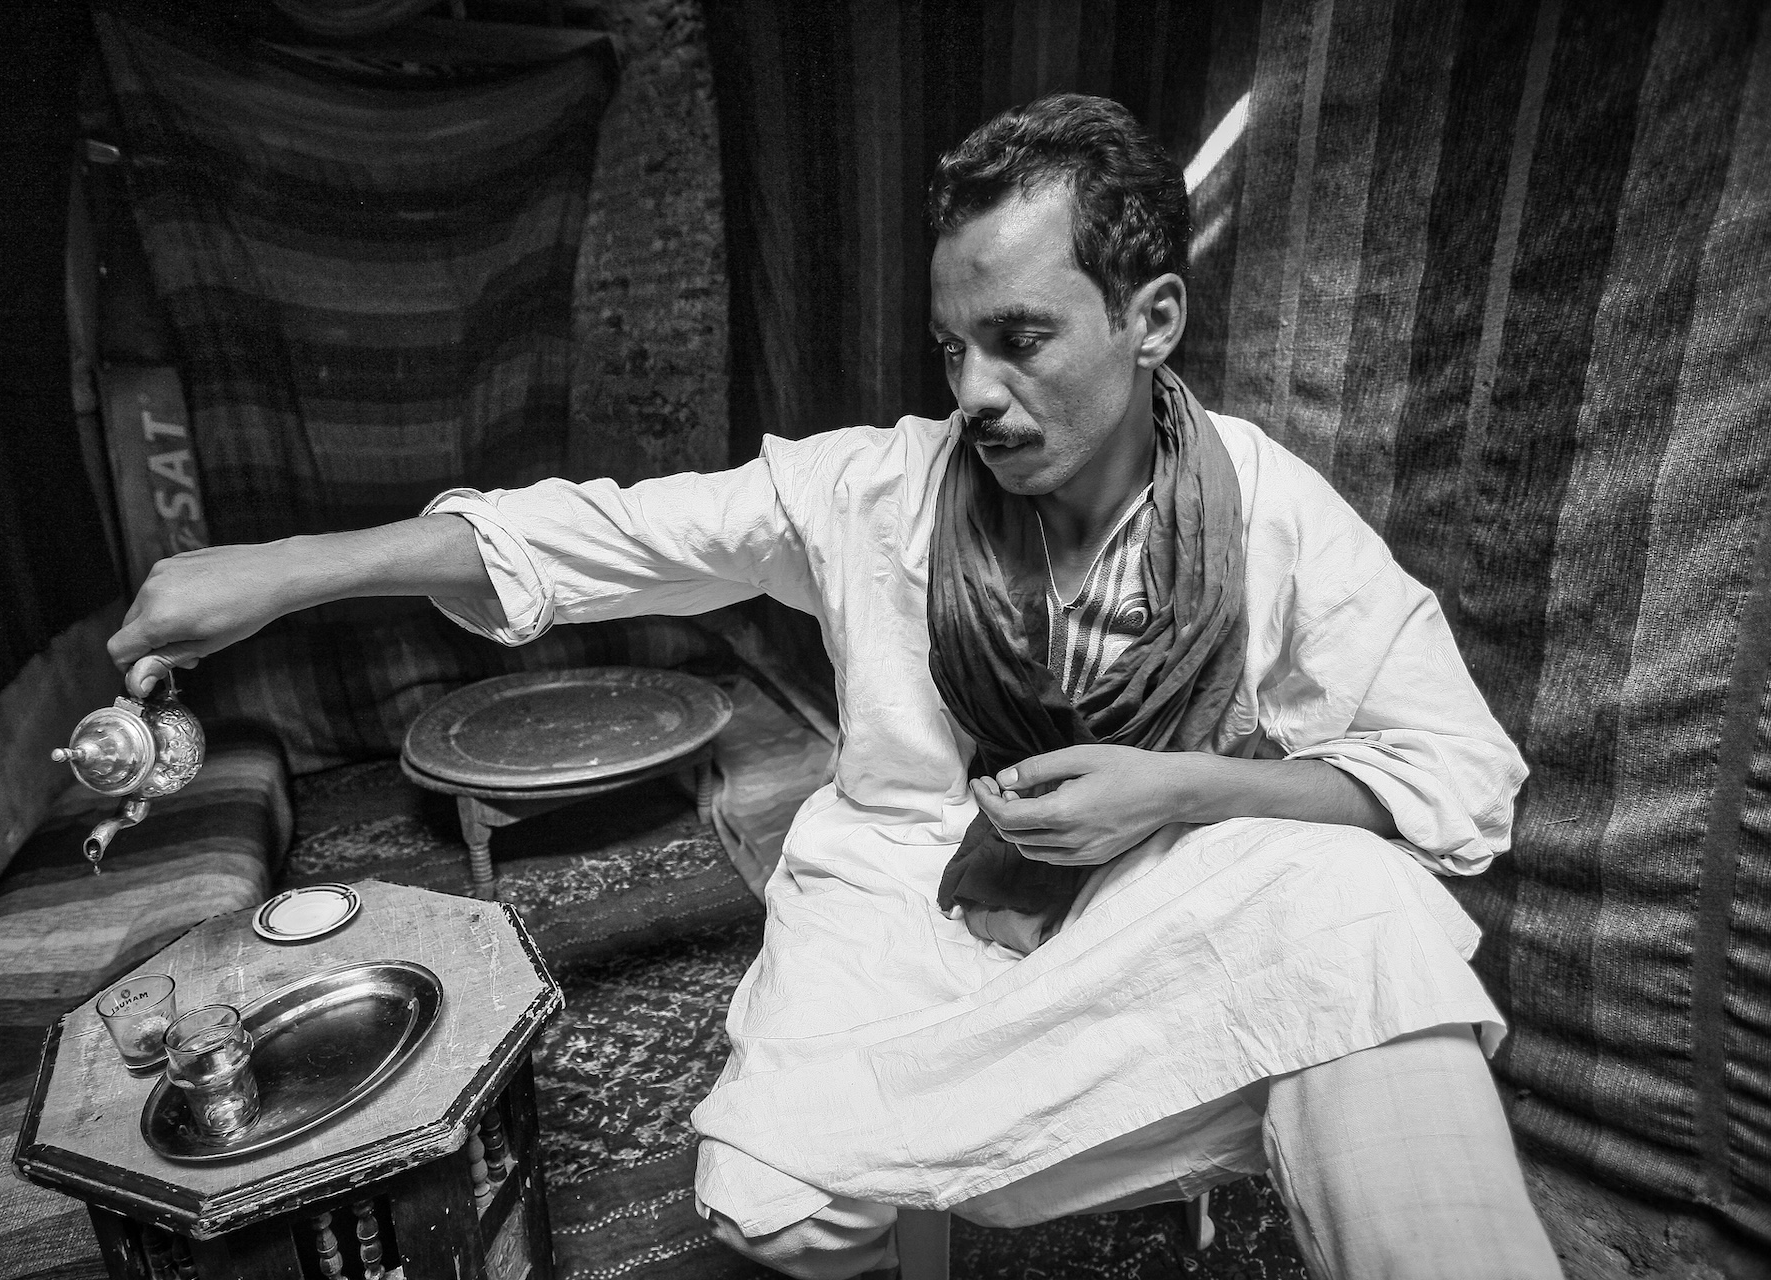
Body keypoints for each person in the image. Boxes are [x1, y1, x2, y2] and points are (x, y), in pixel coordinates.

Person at [111, 95, 1563, 1279]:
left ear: (1155, 318)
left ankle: (1228, 1092)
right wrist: (284, 570)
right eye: (954, 348)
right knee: (776, 1207)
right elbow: (609, 534)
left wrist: (1178, 791)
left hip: (1158, 898)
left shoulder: (1264, 504)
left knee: (1356, 908)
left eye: (1022, 340)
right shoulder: (872, 490)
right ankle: (1220, 1083)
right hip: (906, 895)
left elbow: (1449, 773)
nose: (975, 392)